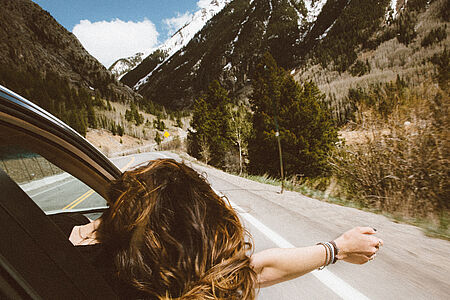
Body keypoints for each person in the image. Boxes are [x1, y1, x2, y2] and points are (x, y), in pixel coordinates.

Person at [58, 159, 383, 299]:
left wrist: (337, 248)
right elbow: (257, 269)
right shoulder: (152, 283)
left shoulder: (55, 231)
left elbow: (254, 269)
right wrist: (337, 249)